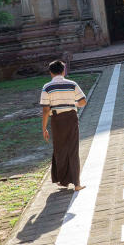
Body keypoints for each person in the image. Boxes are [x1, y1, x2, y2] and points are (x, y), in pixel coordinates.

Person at [40, 60, 88, 191]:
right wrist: (73, 104)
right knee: (73, 149)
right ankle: (77, 184)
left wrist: (44, 128)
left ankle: (63, 181)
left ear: (50, 72)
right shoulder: (72, 84)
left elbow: (45, 110)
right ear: (63, 71)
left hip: (56, 119)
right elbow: (83, 101)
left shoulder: (47, 87)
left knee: (60, 149)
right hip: (71, 118)